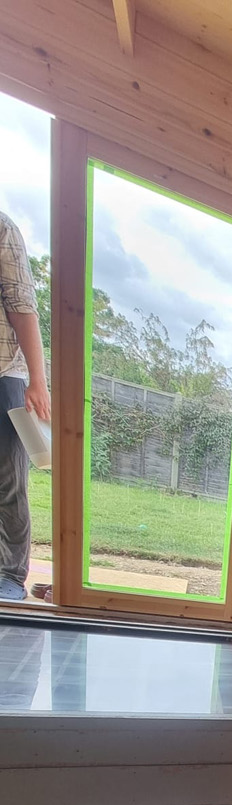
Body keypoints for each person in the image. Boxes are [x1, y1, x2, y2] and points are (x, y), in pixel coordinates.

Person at [1, 210, 50, 602]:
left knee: (9, 482)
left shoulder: (3, 227)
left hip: (5, 374)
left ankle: (10, 577)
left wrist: (38, 380)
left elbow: (21, 302)